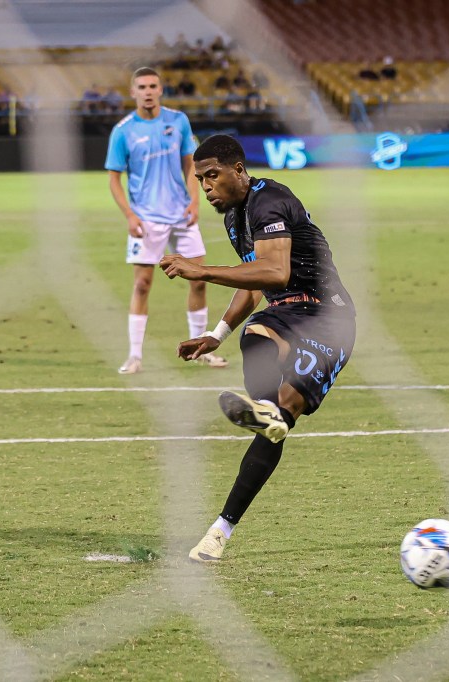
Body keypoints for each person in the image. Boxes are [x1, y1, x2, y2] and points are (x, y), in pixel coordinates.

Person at [158, 134, 356, 562]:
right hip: (287, 314)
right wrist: (217, 334)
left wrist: (201, 270)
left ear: (239, 171)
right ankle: (266, 424)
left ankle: (265, 421)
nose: (206, 186)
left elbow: (276, 271)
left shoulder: (270, 201)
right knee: (259, 357)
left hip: (328, 319)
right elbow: (253, 285)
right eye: (200, 179)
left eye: (212, 176)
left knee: (268, 360)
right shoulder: (235, 219)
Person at [105, 67, 227, 374]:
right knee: (143, 284)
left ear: (161, 90)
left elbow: (191, 164)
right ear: (133, 92)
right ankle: (135, 355)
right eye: (142, 87)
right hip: (146, 219)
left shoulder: (178, 121)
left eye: (153, 86)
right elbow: (114, 180)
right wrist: (130, 215)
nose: (148, 91)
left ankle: (199, 349)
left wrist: (195, 200)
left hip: (181, 215)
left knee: (199, 278)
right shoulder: (123, 131)